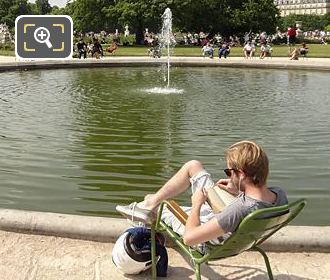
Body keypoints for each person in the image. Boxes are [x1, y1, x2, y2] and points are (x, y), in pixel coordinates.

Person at [116, 141, 288, 248]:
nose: (229, 175)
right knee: (193, 166)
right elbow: (251, 205)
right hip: (232, 221)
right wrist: (237, 191)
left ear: (242, 174)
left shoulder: (239, 209)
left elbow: (190, 238)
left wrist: (197, 204)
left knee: (157, 204)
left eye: (230, 172)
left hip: (208, 236)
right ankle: (148, 205)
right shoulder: (278, 194)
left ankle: (146, 214)